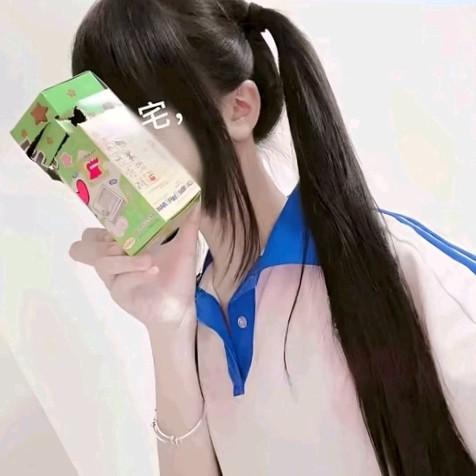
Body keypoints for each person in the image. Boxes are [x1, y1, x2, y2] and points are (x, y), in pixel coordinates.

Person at [67, 0, 476, 475]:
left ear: (239, 108)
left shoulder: (393, 264)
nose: (119, 151)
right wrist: (166, 329)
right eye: (102, 127)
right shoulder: (191, 323)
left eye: (142, 114)